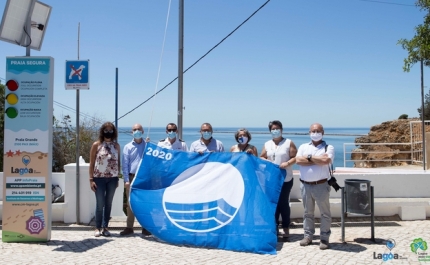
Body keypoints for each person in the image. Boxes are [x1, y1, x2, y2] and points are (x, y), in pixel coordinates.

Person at [296, 123, 334, 250]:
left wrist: (308, 158)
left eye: (318, 131)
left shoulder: (329, 147)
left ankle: (324, 238)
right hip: (305, 185)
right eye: (313, 130)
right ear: (309, 132)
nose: (315, 133)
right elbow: (298, 161)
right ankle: (308, 236)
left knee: (325, 213)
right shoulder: (303, 146)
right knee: (307, 213)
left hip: (321, 185)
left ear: (323, 132)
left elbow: (326, 161)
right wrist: (316, 159)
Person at [259, 120, 297, 238]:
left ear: (281, 129)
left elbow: (295, 157)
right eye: (273, 129)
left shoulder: (289, 143)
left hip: (285, 178)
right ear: (270, 131)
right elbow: (262, 157)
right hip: (271, 179)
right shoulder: (267, 144)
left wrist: (287, 163)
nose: (275, 131)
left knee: (283, 203)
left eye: (277, 128)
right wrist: (267, 161)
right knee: (273, 202)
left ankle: (286, 227)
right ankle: (274, 227)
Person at [89, 122, 121, 237]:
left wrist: (117, 178)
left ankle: (105, 227)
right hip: (99, 179)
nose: (108, 132)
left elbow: (118, 163)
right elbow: (92, 163)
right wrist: (91, 179)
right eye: (106, 130)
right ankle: (97, 227)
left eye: (110, 130)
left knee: (108, 204)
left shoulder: (116, 146)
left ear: (114, 132)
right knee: (100, 203)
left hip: (112, 178)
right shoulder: (96, 145)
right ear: (102, 131)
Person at [120, 123, 151, 236]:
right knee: (130, 203)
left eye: (139, 129)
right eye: (134, 129)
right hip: (132, 177)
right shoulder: (128, 147)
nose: (137, 131)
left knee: (144, 203)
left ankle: (145, 227)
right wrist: (126, 180)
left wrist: (149, 144)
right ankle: (129, 227)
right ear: (131, 132)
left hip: (144, 177)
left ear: (142, 131)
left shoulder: (147, 145)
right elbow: (125, 165)